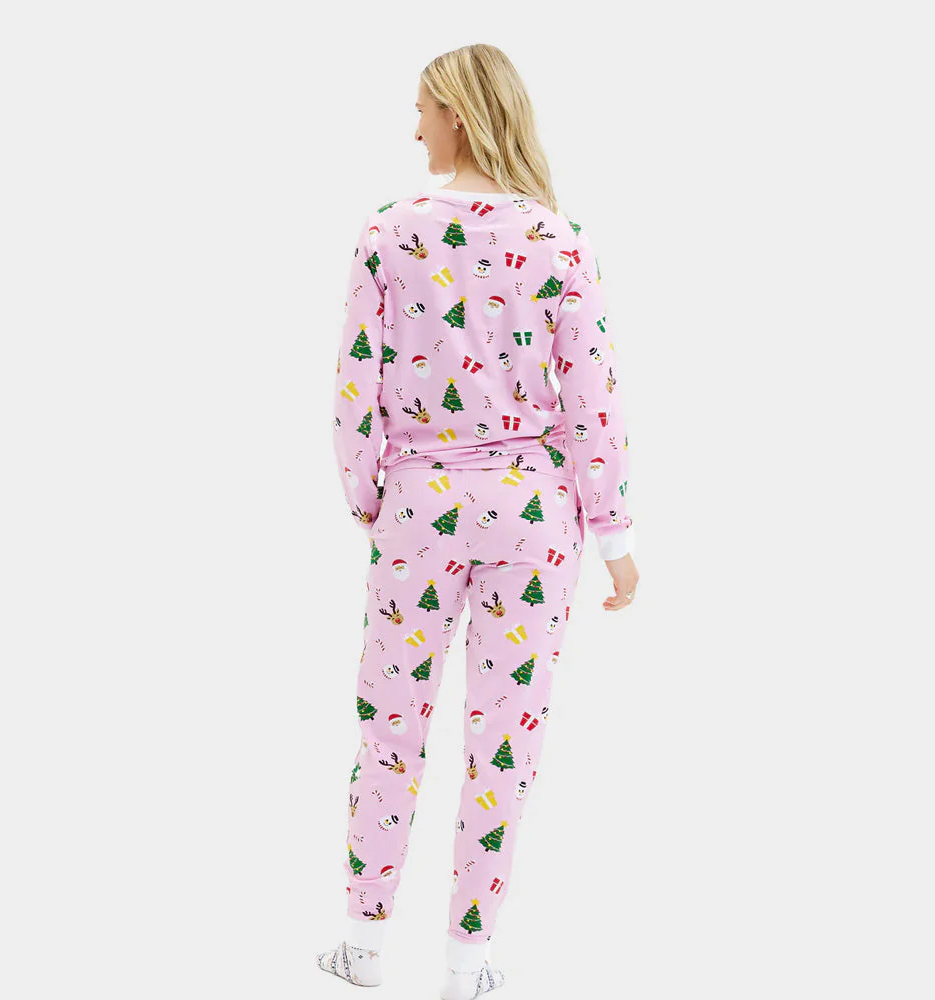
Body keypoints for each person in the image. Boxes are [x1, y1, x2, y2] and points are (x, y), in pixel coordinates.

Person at [317, 43, 640, 998]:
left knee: (391, 725)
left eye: (423, 108)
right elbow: (593, 398)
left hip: (420, 503)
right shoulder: (561, 241)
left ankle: (364, 946)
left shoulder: (388, 233)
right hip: (535, 515)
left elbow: (355, 384)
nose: (414, 126)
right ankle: (468, 963)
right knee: (508, 736)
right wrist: (615, 536)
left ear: (458, 113)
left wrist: (369, 498)